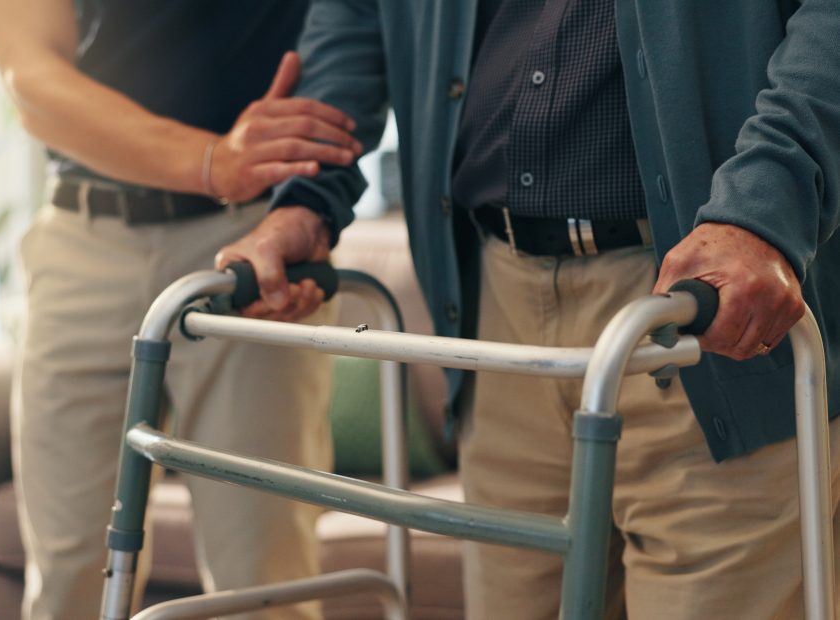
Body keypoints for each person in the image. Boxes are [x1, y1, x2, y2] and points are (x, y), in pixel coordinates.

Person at [215, 1, 840, 618]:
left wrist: (766, 205)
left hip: (702, 302)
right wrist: (306, 200)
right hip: (495, 312)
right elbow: (359, 15)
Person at [0, 1, 362, 618]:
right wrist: (211, 161)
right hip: (85, 241)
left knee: (263, 580)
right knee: (71, 574)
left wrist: (302, 207)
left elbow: (359, 36)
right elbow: (30, 78)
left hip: (249, 241)